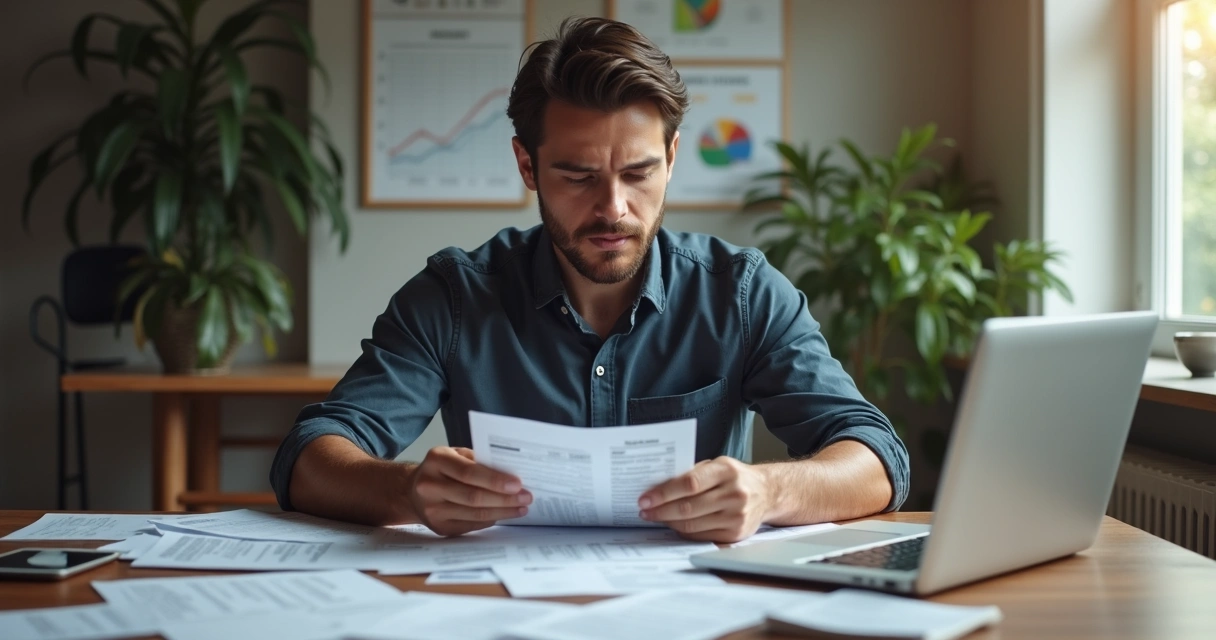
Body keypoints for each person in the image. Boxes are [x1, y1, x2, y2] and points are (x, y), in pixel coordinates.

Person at [270, 16, 908, 543]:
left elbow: (875, 455)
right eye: (578, 176)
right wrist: (407, 489)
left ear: (673, 158)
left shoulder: (740, 293)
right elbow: (308, 457)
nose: (614, 208)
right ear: (527, 164)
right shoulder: (454, 297)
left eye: (638, 173)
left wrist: (769, 489)